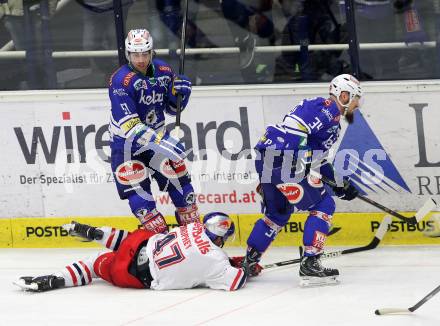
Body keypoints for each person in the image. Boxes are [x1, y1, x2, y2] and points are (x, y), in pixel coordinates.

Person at [241, 74, 362, 287]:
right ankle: (311, 262)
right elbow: (294, 126)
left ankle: (249, 260)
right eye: (355, 98)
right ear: (343, 95)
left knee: (277, 214)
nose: (358, 103)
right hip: (282, 158)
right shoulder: (326, 107)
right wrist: (300, 156)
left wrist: (340, 184)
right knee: (324, 204)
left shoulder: (333, 122)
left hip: (271, 158)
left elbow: (318, 159)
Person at [14, 212, 251, 292]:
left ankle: (101, 234)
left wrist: (230, 263)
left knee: (128, 240)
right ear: (220, 237)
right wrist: (248, 268)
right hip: (135, 273)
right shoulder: (218, 260)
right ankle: (58, 279)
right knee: (95, 263)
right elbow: (235, 282)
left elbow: (196, 253)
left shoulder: (192, 227)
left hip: (141, 243)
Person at [108, 29, 200, 233]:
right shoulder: (120, 81)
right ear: (128, 54)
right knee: (144, 207)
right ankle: (161, 247)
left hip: (157, 139)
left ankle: (195, 241)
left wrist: (181, 95)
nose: (140, 60)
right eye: (135, 54)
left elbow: (171, 109)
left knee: (185, 194)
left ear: (152, 52)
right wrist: (164, 142)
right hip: (127, 146)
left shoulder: (165, 71)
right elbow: (130, 126)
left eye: (145, 54)